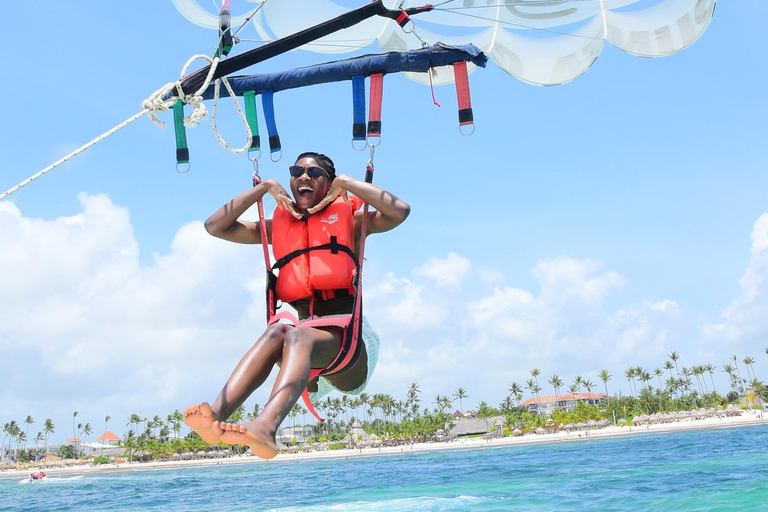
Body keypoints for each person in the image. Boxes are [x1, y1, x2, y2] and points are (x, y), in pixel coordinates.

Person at [184, 152, 409, 458]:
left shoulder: (352, 222)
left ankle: (266, 428)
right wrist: (264, 187)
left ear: (329, 184)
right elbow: (215, 226)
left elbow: (399, 211)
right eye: (296, 171)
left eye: (314, 173)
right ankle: (216, 415)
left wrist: (346, 182)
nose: (304, 176)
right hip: (303, 354)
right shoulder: (279, 226)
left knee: (297, 334)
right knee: (278, 331)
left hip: (349, 346)